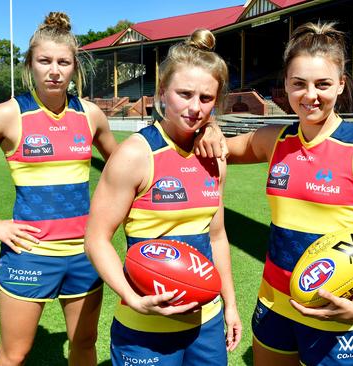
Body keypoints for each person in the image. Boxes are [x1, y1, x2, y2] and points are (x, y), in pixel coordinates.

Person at [221, 22, 353, 365]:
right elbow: (219, 149)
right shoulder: (273, 139)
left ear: (340, 84)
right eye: (299, 84)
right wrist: (206, 131)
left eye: (323, 84)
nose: (311, 95)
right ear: (286, 88)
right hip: (274, 305)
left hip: (338, 312)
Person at [0, 12, 117, 366]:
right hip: (29, 254)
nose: (54, 70)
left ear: (74, 67)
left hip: (84, 254)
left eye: (63, 62)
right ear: (30, 65)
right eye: (44, 61)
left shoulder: (91, 115)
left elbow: (124, 164)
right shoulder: (9, 115)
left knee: (84, 344)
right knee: (15, 355)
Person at [84, 28, 241, 366]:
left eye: (206, 98)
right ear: (162, 93)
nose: (195, 108)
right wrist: (130, 297)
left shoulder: (215, 157)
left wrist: (230, 304)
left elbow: (217, 237)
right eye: (184, 94)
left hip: (207, 324)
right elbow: (96, 238)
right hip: (145, 328)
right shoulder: (134, 155)